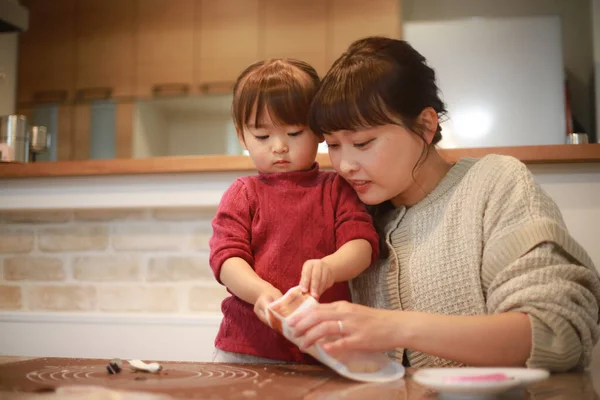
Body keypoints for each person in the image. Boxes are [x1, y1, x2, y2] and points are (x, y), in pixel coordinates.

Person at [287, 36, 600, 372]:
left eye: (362, 143)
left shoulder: (494, 184)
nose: (345, 165)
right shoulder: (352, 213)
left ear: (425, 125)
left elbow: (556, 333)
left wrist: (395, 327)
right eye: (333, 145)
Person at [208, 58, 380, 364]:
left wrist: (332, 266)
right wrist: (259, 291)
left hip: (323, 346)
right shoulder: (243, 192)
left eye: (294, 133)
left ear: (318, 132)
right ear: (241, 136)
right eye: (262, 137)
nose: (279, 147)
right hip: (248, 345)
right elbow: (227, 259)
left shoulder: (336, 188)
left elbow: (362, 245)